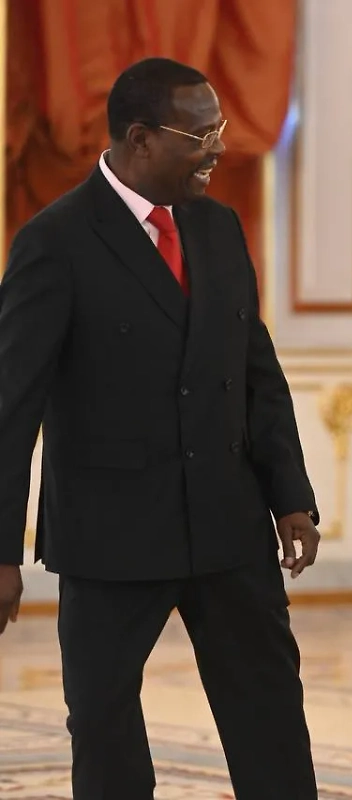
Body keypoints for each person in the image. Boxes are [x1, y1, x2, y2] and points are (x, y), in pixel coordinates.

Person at [0, 57, 321, 799]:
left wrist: (290, 497)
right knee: (104, 728)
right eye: (199, 135)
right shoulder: (55, 241)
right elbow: (11, 407)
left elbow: (255, 372)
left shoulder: (218, 227)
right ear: (140, 139)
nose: (219, 147)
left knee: (271, 716)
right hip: (110, 538)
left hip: (227, 524)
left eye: (220, 128)